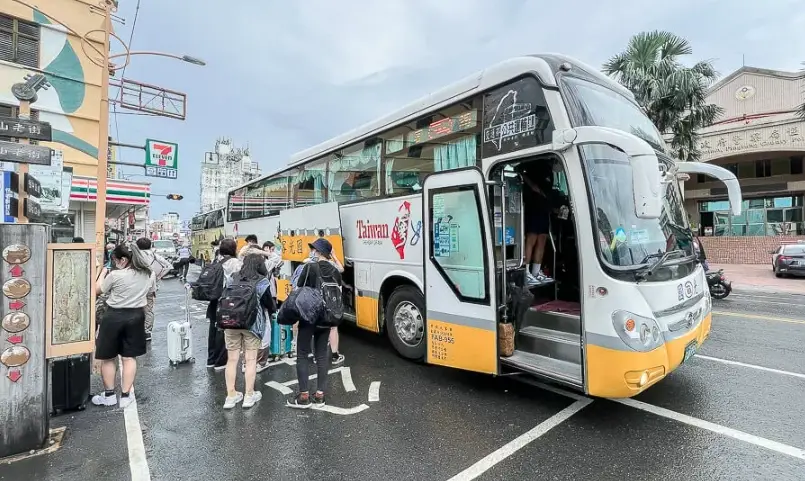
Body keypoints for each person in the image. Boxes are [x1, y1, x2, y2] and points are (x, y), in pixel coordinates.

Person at [91, 244, 156, 409]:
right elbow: (150, 292)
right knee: (129, 357)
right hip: (136, 316)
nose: (114, 263)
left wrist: (104, 272)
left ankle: (109, 395)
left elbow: (97, 290)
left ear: (123, 260)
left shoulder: (116, 275)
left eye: (115, 260)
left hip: (114, 316)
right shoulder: (148, 274)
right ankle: (126, 396)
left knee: (107, 357)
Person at [287, 238, 342, 409]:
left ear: (318, 252)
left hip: (309, 315)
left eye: (314, 249)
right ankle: (320, 396)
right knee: (321, 355)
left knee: (302, 354)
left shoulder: (310, 267)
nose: (312, 252)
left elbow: (299, 288)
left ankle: (303, 397)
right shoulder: (335, 271)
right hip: (327, 316)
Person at [222, 254, 275, 409]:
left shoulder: (233, 277)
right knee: (251, 360)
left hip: (231, 322)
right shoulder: (262, 281)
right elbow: (270, 305)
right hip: (252, 324)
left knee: (232, 360)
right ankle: (249, 396)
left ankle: (231, 396)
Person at [207, 238, 241, 371]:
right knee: (224, 329)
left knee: (213, 329)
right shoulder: (235, 263)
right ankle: (221, 362)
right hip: (227, 300)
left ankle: (211, 360)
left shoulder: (216, 261)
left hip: (214, 300)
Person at [520, 162, 555, 286]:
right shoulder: (534, 165)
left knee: (542, 239)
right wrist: (533, 186)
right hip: (533, 206)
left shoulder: (549, 170)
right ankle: (526, 273)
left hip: (544, 208)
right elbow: (519, 170)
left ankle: (535, 272)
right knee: (531, 239)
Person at [135, 238, 171, 341]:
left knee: (134, 307)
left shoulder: (134, 255)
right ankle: (147, 332)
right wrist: (158, 276)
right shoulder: (154, 255)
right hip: (150, 285)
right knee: (148, 309)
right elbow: (168, 266)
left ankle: (135, 330)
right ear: (150, 245)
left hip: (135, 285)